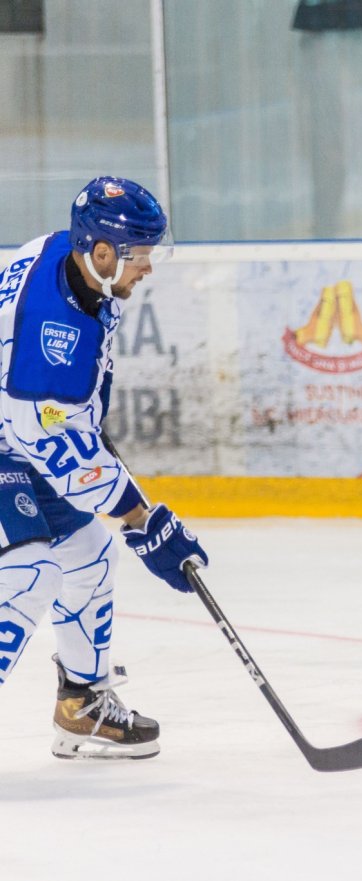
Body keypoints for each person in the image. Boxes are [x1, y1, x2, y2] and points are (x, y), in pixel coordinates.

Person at [0, 176, 209, 760]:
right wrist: (142, 519)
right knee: (31, 574)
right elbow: (55, 447)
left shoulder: (66, 260)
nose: (147, 267)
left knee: (89, 554)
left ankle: (82, 706)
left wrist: (84, 430)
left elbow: (57, 425)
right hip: (14, 438)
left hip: (15, 433)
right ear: (101, 251)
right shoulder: (50, 338)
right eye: (139, 254)